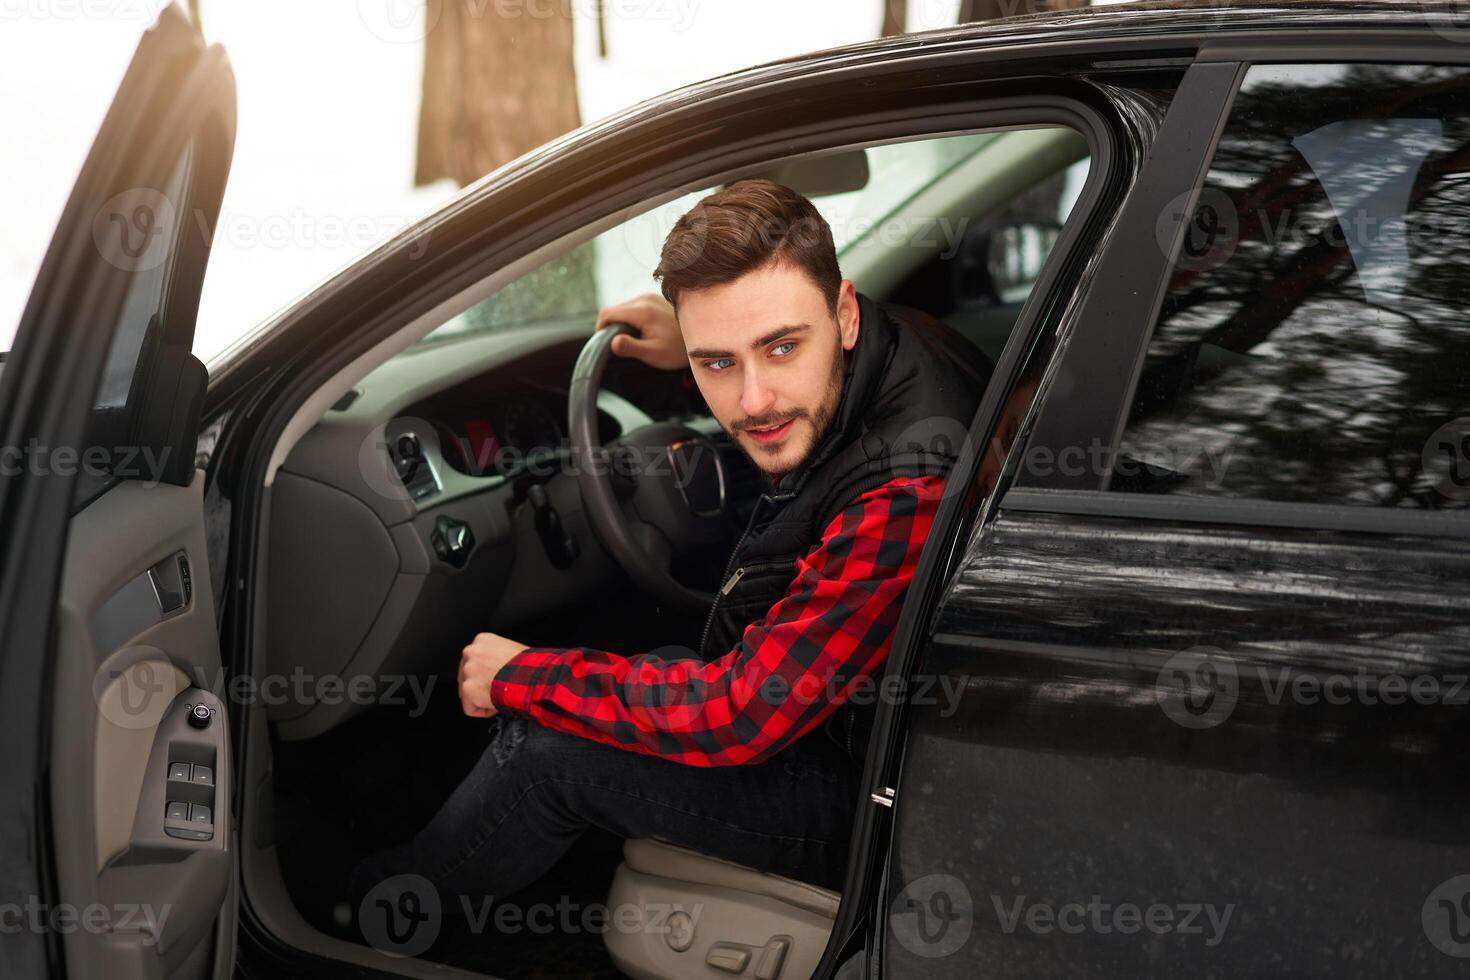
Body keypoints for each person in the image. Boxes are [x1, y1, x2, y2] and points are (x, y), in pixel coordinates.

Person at [348, 178, 984, 922]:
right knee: (631, 663)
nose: (753, 402)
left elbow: (740, 715)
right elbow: (764, 354)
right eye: (719, 361)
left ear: (843, 312)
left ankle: (385, 910)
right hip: (882, 734)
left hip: (876, 802)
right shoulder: (903, 339)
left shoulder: (902, 492)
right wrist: (692, 344)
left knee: (551, 744)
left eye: (781, 347)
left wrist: (520, 674)